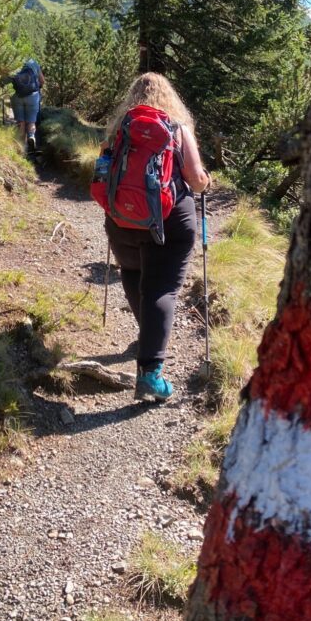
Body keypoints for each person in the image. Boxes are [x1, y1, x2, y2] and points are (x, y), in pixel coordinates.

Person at [102, 72, 210, 402]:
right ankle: (151, 374)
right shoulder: (177, 127)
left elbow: (103, 170)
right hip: (168, 220)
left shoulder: (120, 127)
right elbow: (194, 179)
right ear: (170, 97)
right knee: (161, 288)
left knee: (134, 273)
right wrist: (206, 180)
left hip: (122, 218)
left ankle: (149, 334)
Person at [1, 58, 44, 154]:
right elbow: (42, 81)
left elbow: (4, 81)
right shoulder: (34, 62)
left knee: (21, 121)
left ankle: (21, 147)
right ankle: (31, 137)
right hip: (33, 96)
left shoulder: (14, 61)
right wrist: (37, 88)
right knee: (31, 121)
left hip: (17, 96)